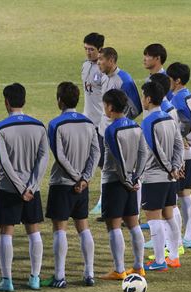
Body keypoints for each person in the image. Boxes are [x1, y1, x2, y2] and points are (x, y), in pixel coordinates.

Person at [40, 82, 100, 288]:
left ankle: (60, 276)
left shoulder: (55, 124)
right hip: (83, 185)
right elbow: (96, 152)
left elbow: (60, 155)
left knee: (60, 229)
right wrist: (85, 178)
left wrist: (76, 177)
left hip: (63, 183)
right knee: (83, 227)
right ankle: (89, 273)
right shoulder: (89, 122)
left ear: (59, 101)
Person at [0, 83, 48, 292]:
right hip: (32, 190)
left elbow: (5, 162)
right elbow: (43, 159)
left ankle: (7, 280)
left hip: (9, 188)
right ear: (24, 100)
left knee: (6, 232)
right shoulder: (39, 126)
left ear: (6, 101)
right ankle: (35, 278)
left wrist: (20, 188)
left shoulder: (0, 127)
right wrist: (31, 186)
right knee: (33, 231)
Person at [97, 89, 147, 281]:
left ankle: (119, 269)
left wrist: (126, 180)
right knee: (133, 224)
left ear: (110, 107)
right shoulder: (135, 126)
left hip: (114, 182)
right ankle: (139, 267)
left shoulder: (111, 130)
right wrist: (136, 178)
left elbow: (117, 160)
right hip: (132, 182)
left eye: (104, 106)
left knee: (114, 226)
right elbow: (143, 153)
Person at [139, 81, 183, 272]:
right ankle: (173, 256)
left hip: (155, 175)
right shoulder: (169, 118)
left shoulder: (148, 121)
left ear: (148, 99)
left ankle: (159, 261)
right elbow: (178, 145)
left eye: (143, 96)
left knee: (154, 218)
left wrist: (168, 168)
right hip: (169, 177)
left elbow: (156, 149)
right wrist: (175, 166)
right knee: (169, 215)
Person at [167, 62, 191, 249]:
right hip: (190, 152)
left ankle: (173, 240)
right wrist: (190, 135)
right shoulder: (187, 94)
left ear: (177, 80)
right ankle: (188, 236)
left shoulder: (177, 99)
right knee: (184, 194)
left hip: (181, 155)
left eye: (169, 79)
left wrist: (182, 136)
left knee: (173, 197)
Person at [81, 33, 106, 215]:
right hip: (86, 123)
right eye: (86, 49)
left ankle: (102, 201)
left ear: (100, 50)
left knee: (104, 164)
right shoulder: (84, 66)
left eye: (92, 50)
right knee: (84, 160)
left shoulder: (103, 70)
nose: (88, 53)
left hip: (100, 124)